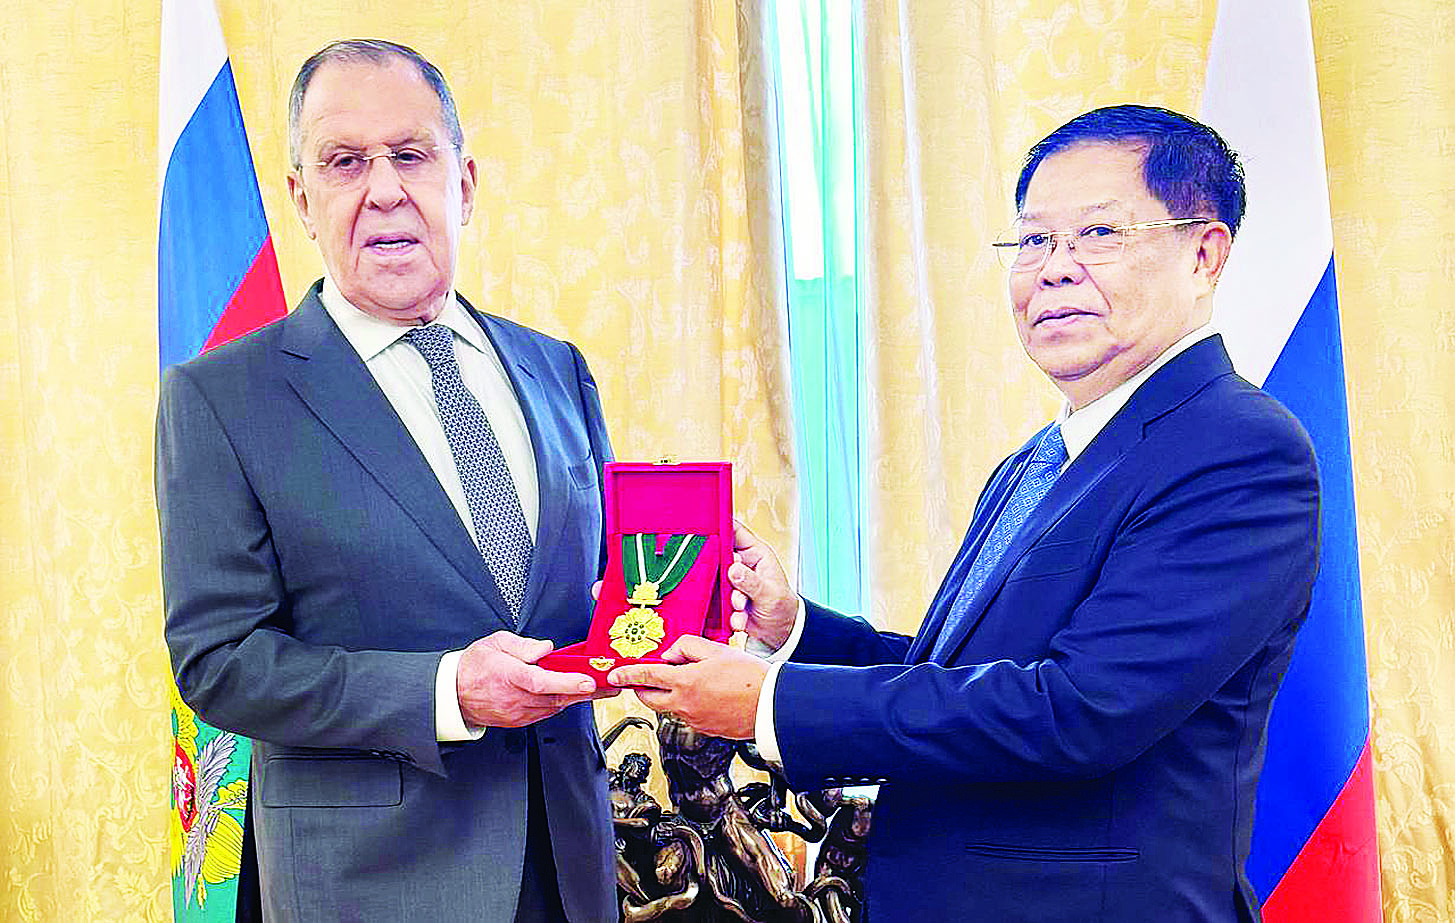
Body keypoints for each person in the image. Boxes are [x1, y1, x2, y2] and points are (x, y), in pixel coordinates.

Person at [609, 104, 1321, 922]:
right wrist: (794, 627)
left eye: (1098, 234)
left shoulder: (1236, 449)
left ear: (1204, 254)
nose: (1053, 270)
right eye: (1033, 240)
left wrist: (771, 702)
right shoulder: (1038, 459)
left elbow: (1075, 710)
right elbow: (960, 679)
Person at [157, 40, 616, 922]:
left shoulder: (557, 368)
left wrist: (690, 591)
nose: (383, 189)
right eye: (344, 162)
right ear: (302, 198)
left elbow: (595, 590)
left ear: (464, 184)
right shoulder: (221, 397)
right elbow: (219, 661)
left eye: (410, 154)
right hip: (372, 885)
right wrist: (444, 690)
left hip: (571, 866)